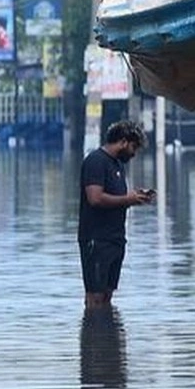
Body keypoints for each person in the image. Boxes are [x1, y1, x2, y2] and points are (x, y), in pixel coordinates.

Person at [79, 121, 154, 308]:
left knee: (107, 296)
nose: (134, 153)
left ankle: (106, 336)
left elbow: (117, 197)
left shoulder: (118, 165)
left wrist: (135, 197)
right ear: (122, 141)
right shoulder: (96, 161)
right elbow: (95, 198)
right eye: (133, 147)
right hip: (96, 239)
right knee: (95, 297)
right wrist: (128, 200)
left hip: (116, 238)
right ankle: (93, 334)